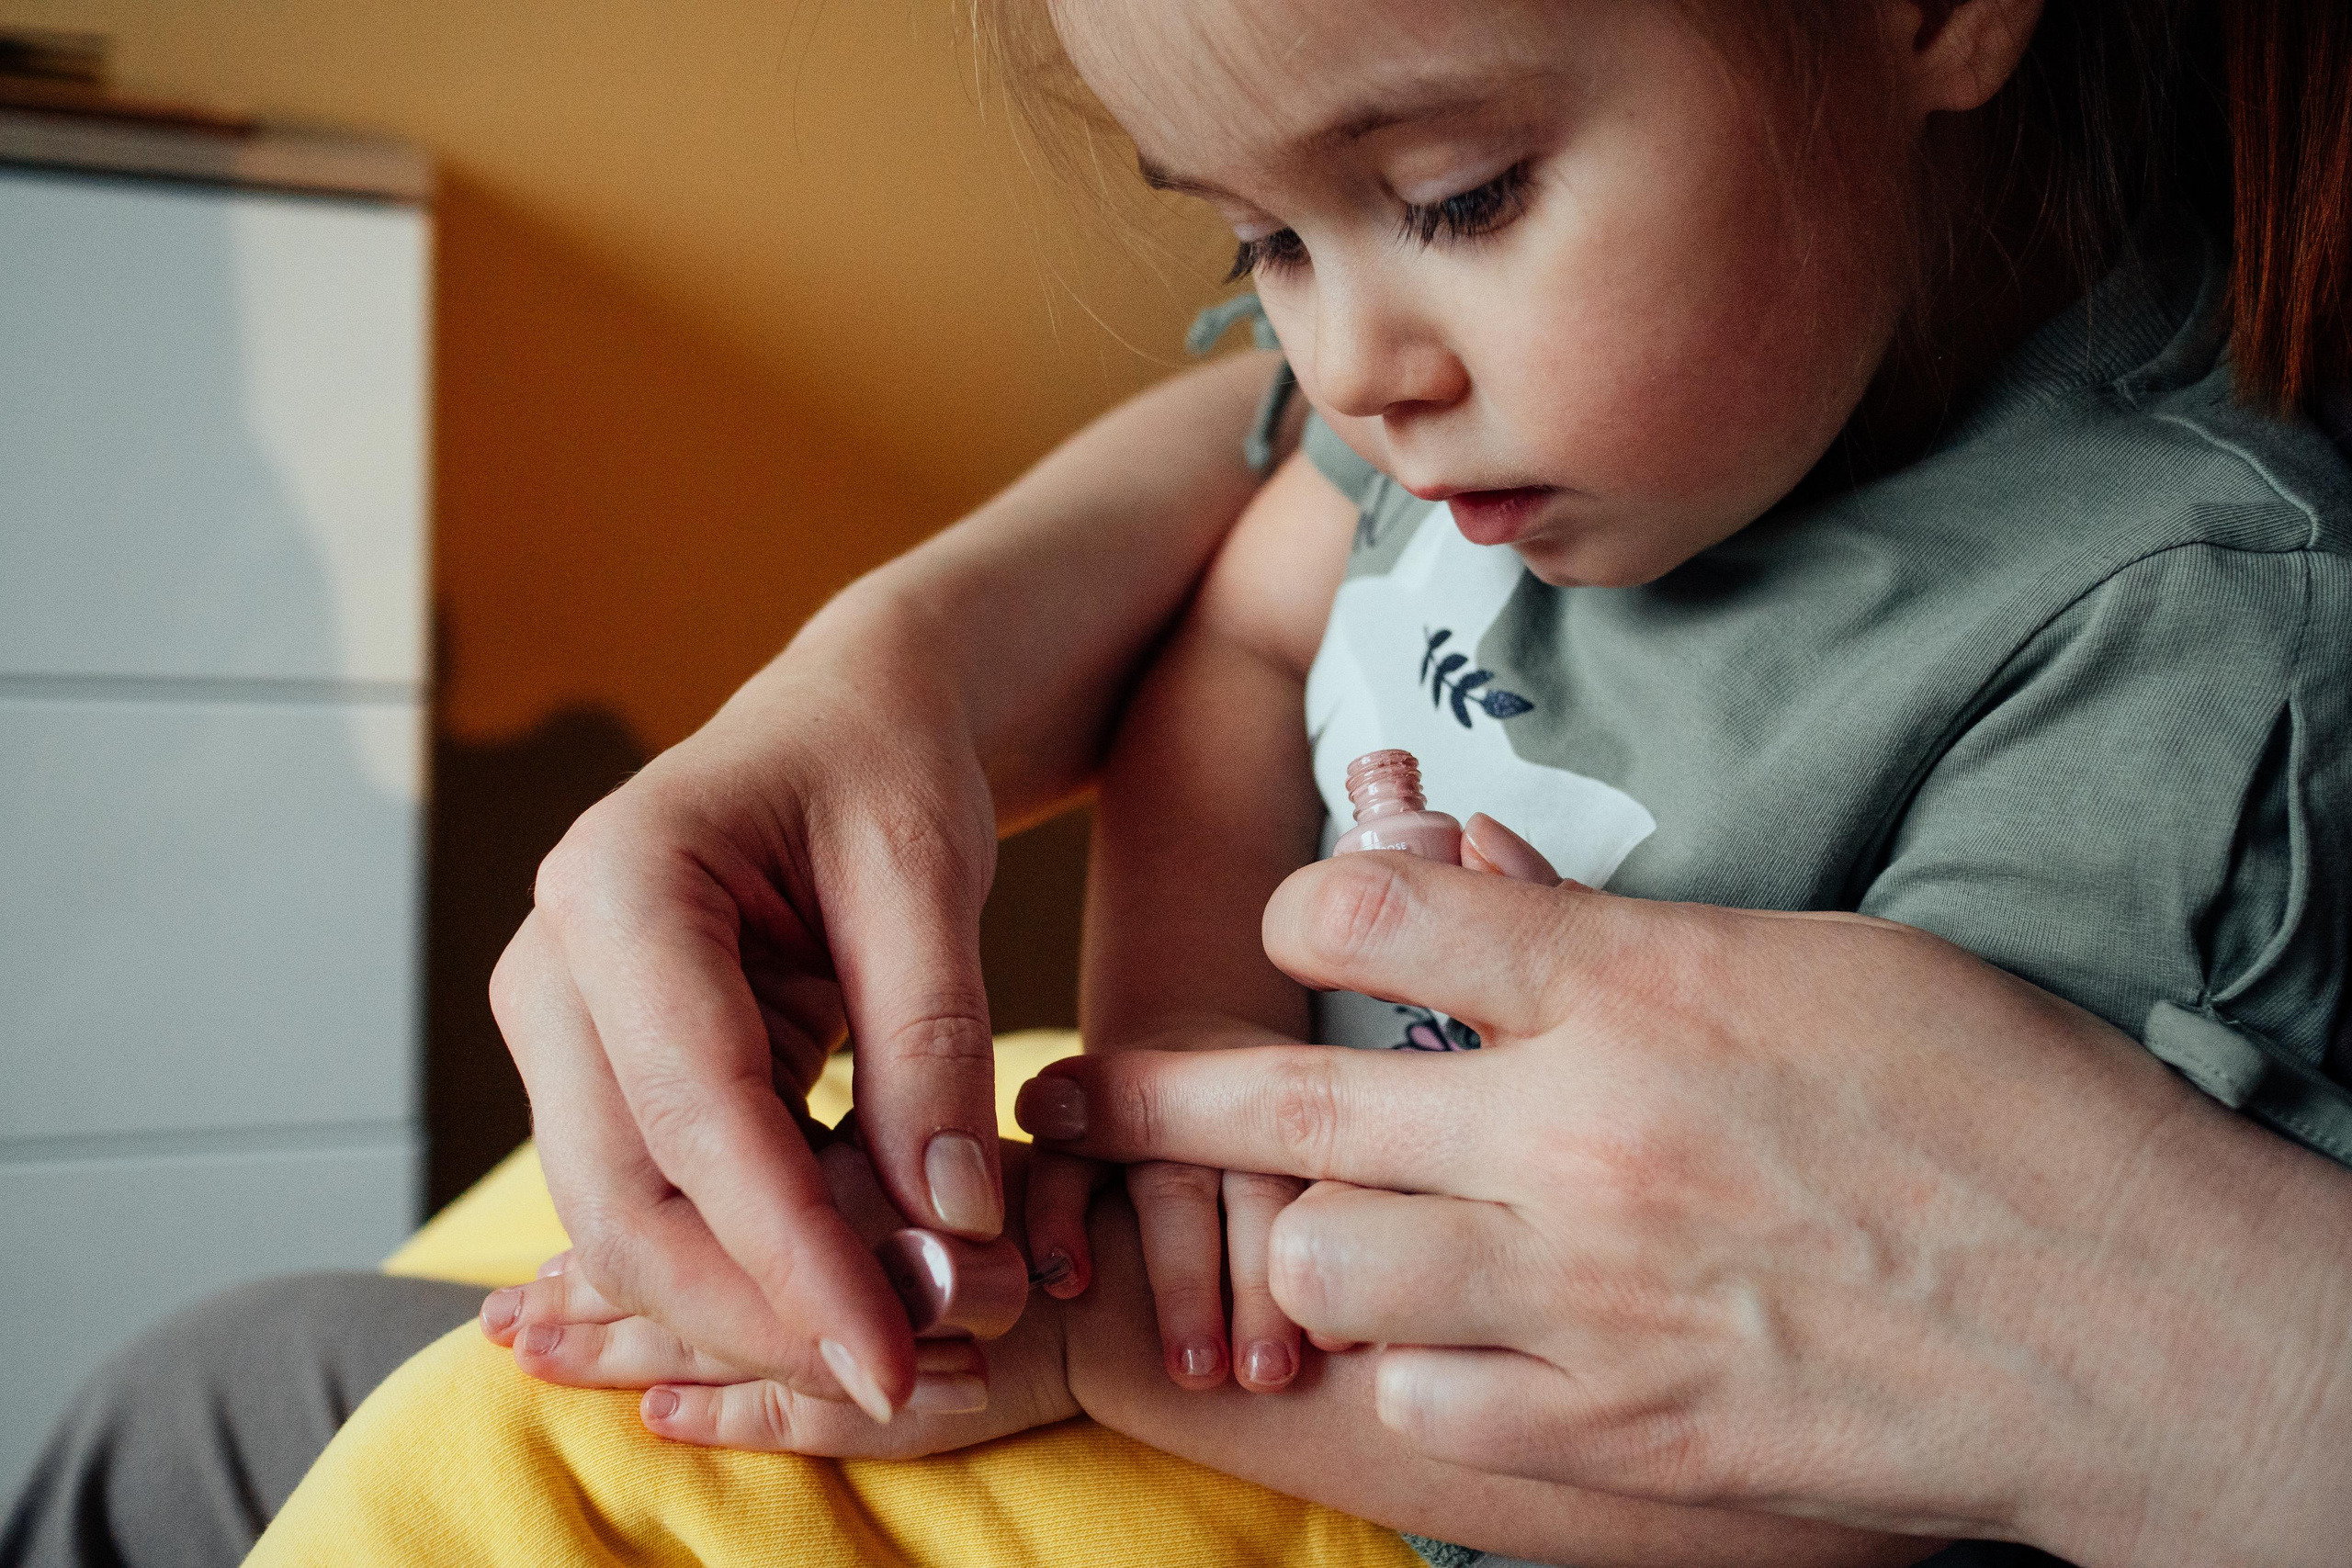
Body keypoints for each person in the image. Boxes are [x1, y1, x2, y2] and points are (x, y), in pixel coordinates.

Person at [10, 0, 2348, 1564]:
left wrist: (1052, 1326)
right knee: (243, 1368)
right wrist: (1184, 1079)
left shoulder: (2171, 619)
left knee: (443, 1460)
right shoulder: (1509, 410)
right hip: (1239, 1321)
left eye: (1451, 194)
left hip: (1476, 1496)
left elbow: (1865, 1449)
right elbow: (1242, 622)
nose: (1346, 358)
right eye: (1252, 237)